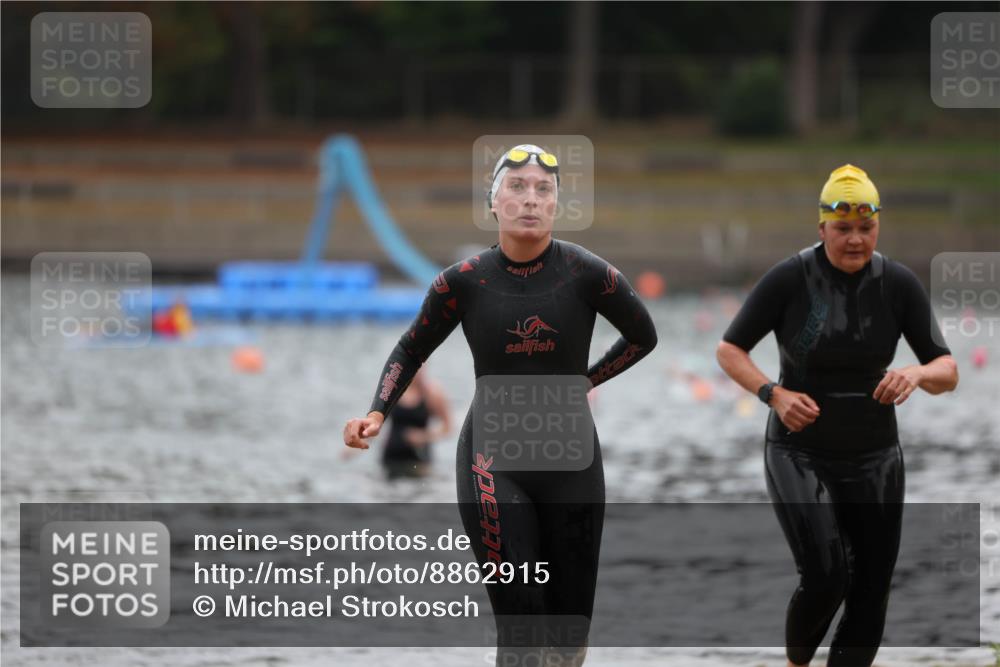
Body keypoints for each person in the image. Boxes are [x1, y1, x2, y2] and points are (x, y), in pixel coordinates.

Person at [344, 144, 658, 666]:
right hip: (493, 461)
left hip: (572, 462)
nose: (530, 200)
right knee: (521, 623)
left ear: (557, 204)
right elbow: (411, 347)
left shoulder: (588, 273)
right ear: (494, 203)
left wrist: (587, 380)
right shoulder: (462, 281)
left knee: (567, 635)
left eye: (543, 190)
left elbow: (642, 336)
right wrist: (376, 411)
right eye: (517, 187)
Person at [715, 164, 958, 667]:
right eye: (843, 229)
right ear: (821, 227)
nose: (854, 240)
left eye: (865, 229)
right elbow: (729, 349)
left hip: (874, 456)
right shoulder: (789, 278)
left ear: (877, 227)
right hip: (798, 449)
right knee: (826, 575)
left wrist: (914, 375)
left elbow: (948, 369)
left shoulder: (898, 284)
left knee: (871, 590)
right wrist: (773, 394)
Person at [380, 367, 451, 480]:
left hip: (419, 460)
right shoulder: (392, 389)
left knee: (420, 494)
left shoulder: (432, 393)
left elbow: (448, 428)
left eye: (420, 367)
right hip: (391, 457)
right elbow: (376, 422)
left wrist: (423, 436)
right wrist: (357, 443)